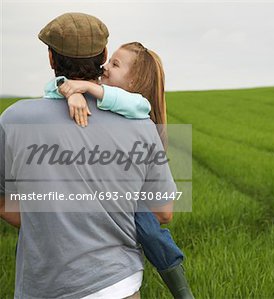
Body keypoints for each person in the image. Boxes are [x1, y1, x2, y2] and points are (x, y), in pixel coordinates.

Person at [0, 12, 178, 299]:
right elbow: (163, 210)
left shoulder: (13, 119)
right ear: (104, 55)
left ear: (50, 58)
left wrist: (52, 221)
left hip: (43, 287)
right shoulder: (141, 125)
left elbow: (3, 202)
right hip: (118, 284)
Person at [43, 42, 194, 298]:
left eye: (115, 64)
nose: (105, 67)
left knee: (151, 232)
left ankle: (181, 288)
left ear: (134, 82)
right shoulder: (92, 99)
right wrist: (71, 92)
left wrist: (88, 87)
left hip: (128, 203)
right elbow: (52, 86)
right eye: (109, 60)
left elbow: (141, 107)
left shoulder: (134, 107)